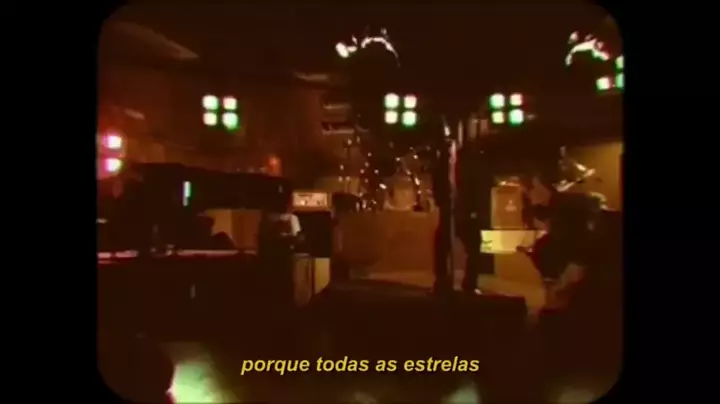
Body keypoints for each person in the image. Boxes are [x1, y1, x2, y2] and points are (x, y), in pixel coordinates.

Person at [455, 140, 495, 294]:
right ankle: (470, 284)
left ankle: (469, 283)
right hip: (469, 215)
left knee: (473, 250)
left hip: (464, 214)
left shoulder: (462, 169)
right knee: (474, 250)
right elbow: (477, 192)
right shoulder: (475, 169)